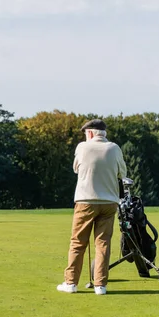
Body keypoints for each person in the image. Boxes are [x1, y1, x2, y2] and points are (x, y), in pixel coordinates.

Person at [57, 119, 127, 295]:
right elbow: (122, 173)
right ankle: (100, 286)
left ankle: (71, 282)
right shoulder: (114, 148)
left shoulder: (82, 147)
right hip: (109, 202)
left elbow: (76, 168)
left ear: (89, 133)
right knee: (102, 243)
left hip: (85, 201)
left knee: (78, 242)